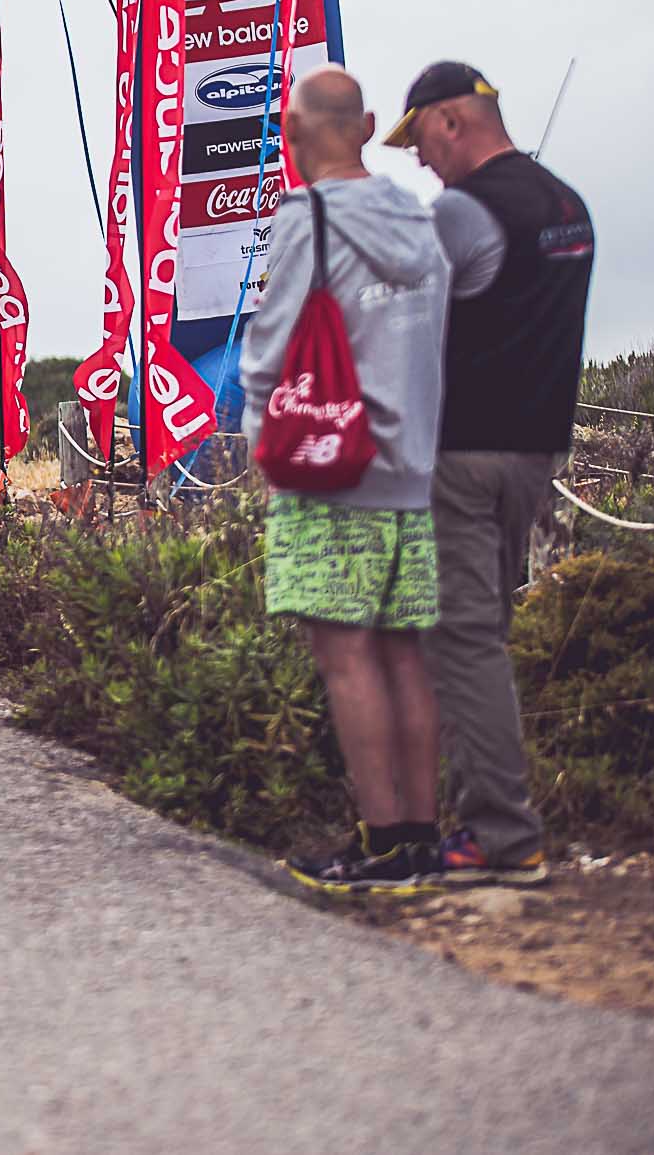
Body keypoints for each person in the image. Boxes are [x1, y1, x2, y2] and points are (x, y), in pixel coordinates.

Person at [242, 68, 454, 894]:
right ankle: (423, 838)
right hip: (413, 469)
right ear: (367, 126)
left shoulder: (310, 218)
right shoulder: (421, 219)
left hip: (332, 465)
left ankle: (381, 840)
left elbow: (270, 348)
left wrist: (262, 444)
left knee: (346, 658)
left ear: (292, 134)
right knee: (405, 654)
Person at [388, 61, 596, 887]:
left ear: (450, 121)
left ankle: (501, 837)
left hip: (462, 455)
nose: (419, 160)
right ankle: (493, 820)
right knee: (487, 634)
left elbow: (396, 311)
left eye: (419, 140)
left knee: (463, 640)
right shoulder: (567, 204)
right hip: (536, 453)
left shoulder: (461, 211)